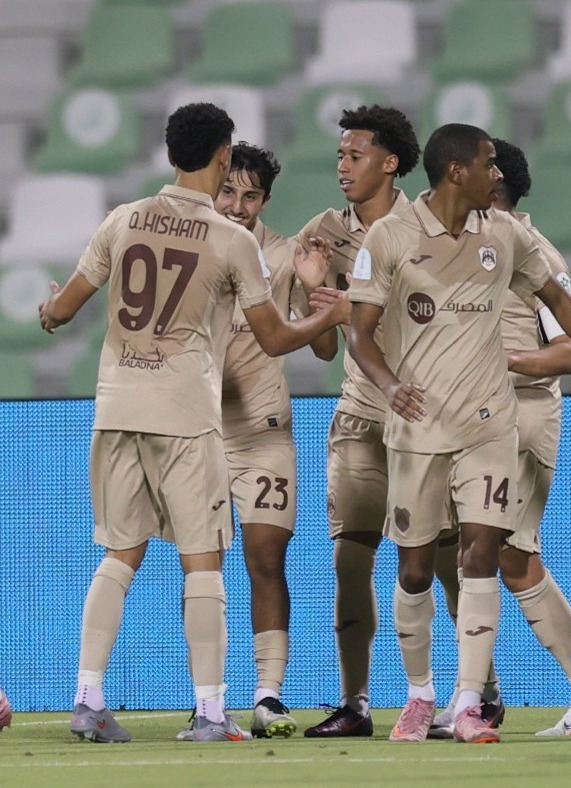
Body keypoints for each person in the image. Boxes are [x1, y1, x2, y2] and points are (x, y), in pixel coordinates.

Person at [38, 102, 350, 744]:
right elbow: (272, 335)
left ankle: (88, 698)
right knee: (202, 562)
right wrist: (332, 315)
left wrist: (46, 308)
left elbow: (62, 310)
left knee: (119, 555)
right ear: (219, 158)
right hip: (185, 412)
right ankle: (210, 712)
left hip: (117, 406)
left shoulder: (123, 220)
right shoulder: (230, 239)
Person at [315, 122, 571, 744]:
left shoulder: (508, 235)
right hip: (416, 429)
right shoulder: (390, 238)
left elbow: (563, 307)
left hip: (493, 425)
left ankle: (465, 703)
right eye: (490, 164)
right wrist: (385, 384)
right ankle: (419, 694)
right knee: (414, 571)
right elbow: (358, 330)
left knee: (483, 554)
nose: (499, 174)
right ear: (456, 171)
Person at [427, 138, 571, 739]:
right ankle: (492, 695)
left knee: (507, 557)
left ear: (494, 179)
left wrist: (493, 358)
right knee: (473, 552)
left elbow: (566, 354)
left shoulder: (530, 250)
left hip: (524, 420)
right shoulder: (471, 246)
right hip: (478, 421)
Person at [293, 105, 461, 738]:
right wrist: (320, 300)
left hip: (423, 415)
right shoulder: (323, 233)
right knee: (349, 561)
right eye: (339, 155)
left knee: (446, 560)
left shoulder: (431, 228)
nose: (342, 166)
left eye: (355, 155)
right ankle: (356, 702)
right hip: (361, 415)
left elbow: (446, 321)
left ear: (390, 163)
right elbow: (324, 349)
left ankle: (478, 692)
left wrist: (360, 306)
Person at [208, 142, 335, 738]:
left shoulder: (285, 256)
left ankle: (268, 695)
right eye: (228, 191)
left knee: (265, 560)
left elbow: (328, 348)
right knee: (201, 570)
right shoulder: (192, 249)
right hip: (199, 436)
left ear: (265, 199)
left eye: (250, 194)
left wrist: (315, 288)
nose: (236, 205)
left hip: (264, 436)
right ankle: (208, 700)